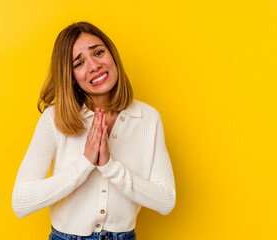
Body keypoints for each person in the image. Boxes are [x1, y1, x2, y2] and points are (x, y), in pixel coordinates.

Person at [12, 21, 176, 240]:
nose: (94, 66)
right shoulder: (54, 118)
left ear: (113, 55)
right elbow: (21, 202)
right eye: (79, 63)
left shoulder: (148, 118)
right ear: (70, 76)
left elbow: (166, 201)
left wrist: (110, 168)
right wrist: (85, 163)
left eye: (98, 52)